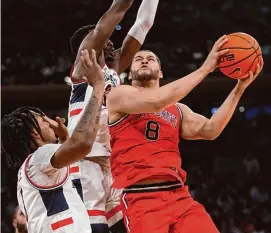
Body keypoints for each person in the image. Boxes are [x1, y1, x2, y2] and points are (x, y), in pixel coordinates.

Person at [106, 35, 264, 233]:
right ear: (129, 75)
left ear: (161, 72)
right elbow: (155, 101)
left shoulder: (178, 110)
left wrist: (239, 88)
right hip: (141, 197)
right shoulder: (118, 95)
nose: (145, 60)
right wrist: (206, 68)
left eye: (151, 58)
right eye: (138, 59)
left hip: (180, 196)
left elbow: (210, 130)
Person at [67, 1, 159, 232]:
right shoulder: (82, 71)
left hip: (113, 165)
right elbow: (117, 11)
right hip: (85, 164)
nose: (110, 41)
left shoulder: (113, 70)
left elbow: (144, 23)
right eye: (102, 39)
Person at [1, 49, 105, 233]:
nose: (51, 121)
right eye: (43, 119)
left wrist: (64, 139)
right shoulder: (40, 157)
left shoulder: (31, 168)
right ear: (34, 133)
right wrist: (97, 87)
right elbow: (83, 144)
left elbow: (67, 159)